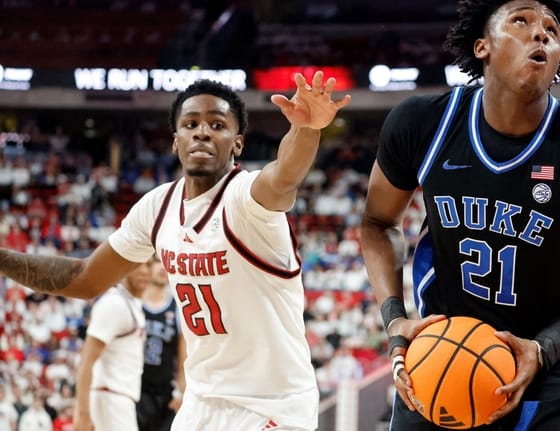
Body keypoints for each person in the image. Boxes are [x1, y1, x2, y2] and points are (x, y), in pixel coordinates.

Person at [360, 0, 560, 430]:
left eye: (551, 30)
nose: (541, 34)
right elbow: (376, 222)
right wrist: (394, 318)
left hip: (553, 356)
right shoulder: (423, 122)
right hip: (444, 348)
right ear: (482, 46)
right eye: (522, 20)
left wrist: (549, 345)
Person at [1, 72, 350, 431]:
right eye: (191, 124)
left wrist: (306, 129)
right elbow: (84, 279)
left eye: (217, 125)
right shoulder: (157, 207)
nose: (202, 132)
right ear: (175, 141)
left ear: (238, 144)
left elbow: (284, 177)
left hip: (272, 405)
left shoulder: (246, 199)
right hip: (202, 404)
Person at [75, 262, 150, 431]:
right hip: (109, 398)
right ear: (123, 269)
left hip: (118, 399)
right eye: (138, 266)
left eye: (148, 265)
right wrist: (82, 413)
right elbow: (87, 360)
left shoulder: (132, 304)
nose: (144, 271)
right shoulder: (114, 303)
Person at [137, 256, 185, 431]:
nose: (163, 267)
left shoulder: (178, 308)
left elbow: (183, 359)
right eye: (157, 261)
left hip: (165, 394)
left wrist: (181, 391)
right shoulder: (134, 304)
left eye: (167, 262)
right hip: (135, 388)